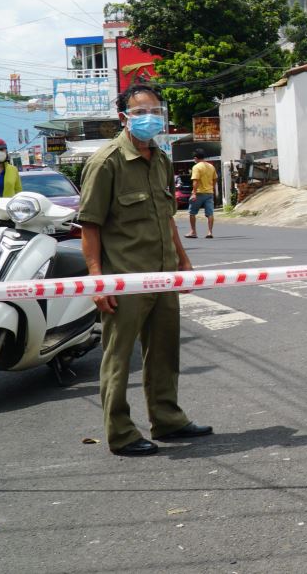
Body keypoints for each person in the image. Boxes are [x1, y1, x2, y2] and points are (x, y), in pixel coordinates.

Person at [80, 84, 212, 456]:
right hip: (125, 276)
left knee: (165, 351)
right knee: (120, 357)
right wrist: (97, 278)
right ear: (123, 117)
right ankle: (120, 433)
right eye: (140, 113)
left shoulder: (162, 158)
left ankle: (167, 419)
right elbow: (90, 224)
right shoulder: (107, 162)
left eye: (155, 111)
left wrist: (182, 260)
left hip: (164, 272)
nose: (149, 118)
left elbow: (167, 215)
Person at [185, 148, 217, 239]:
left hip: (199, 193)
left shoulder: (196, 167)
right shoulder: (211, 166)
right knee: (210, 213)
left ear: (195, 158)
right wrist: (212, 188)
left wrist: (194, 193)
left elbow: (195, 181)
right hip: (209, 193)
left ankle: (193, 232)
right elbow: (215, 179)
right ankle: (210, 232)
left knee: (192, 213)